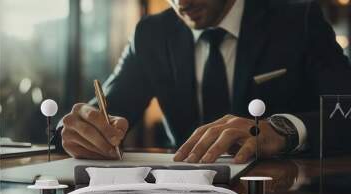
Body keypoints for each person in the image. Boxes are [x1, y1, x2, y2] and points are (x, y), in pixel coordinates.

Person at [56, 0, 351, 163]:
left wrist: (282, 130)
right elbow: (105, 111)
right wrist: (78, 129)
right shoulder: (151, 34)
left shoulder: (298, 20)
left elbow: (346, 112)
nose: (181, 2)